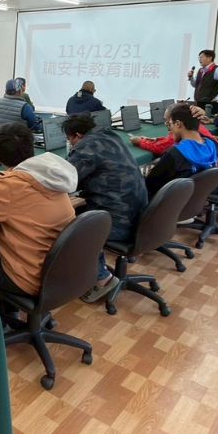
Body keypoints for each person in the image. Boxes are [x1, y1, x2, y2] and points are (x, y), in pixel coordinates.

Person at [0, 123, 77, 297]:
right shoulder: (50, 174)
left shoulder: (11, 187)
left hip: (30, 278)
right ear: (31, 147)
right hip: (60, 270)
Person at [63, 112, 149, 299]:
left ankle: (102, 279)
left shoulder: (86, 148)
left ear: (77, 135)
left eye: (69, 139)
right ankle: (91, 266)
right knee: (81, 211)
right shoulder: (110, 135)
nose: (70, 143)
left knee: (72, 229)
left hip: (121, 223)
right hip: (140, 215)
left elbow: (67, 182)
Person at [143, 103, 218, 198]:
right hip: (196, 197)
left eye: (170, 124)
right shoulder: (213, 144)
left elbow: (149, 184)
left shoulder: (175, 153)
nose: (169, 129)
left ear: (178, 124)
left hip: (171, 200)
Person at [130, 106, 218, 172]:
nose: (167, 125)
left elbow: (160, 147)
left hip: (203, 186)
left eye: (168, 122)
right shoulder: (197, 132)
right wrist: (157, 139)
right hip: (214, 179)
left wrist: (139, 141)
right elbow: (169, 140)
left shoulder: (176, 150)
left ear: (177, 123)